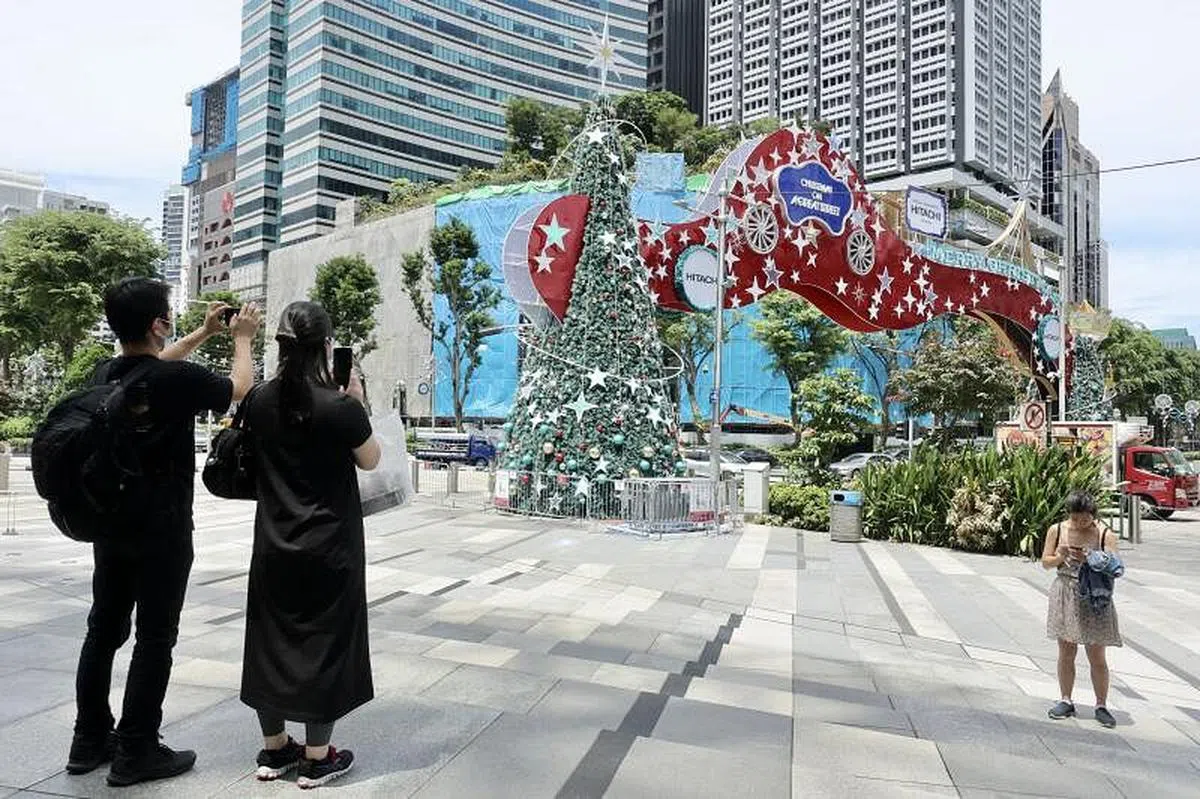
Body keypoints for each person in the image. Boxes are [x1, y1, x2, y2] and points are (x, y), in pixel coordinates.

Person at [67, 277, 262, 786]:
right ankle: (136, 749)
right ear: (158, 323)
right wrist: (242, 339)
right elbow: (239, 390)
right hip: (163, 530)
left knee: (102, 630)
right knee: (155, 637)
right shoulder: (177, 382)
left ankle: (89, 740)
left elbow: (154, 366)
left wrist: (199, 333)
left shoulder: (105, 373)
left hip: (109, 524)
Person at [239, 301, 381, 789]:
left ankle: (275, 749)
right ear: (325, 346)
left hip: (274, 541)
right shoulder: (339, 407)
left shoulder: (258, 400)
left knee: (268, 641)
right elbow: (371, 459)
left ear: (278, 346)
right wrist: (356, 400)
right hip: (330, 546)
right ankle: (318, 757)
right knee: (326, 643)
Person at [1042, 490, 1122, 728]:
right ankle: (1066, 700)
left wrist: (1093, 559)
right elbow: (1045, 562)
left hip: (1095, 598)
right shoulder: (1057, 530)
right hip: (1066, 592)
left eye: (1085, 519)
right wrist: (1060, 556)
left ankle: (1101, 705)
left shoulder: (1104, 533)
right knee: (1066, 651)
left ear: (1093, 515)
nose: (1080, 523)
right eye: (1075, 518)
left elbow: (1116, 566)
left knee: (1097, 655)